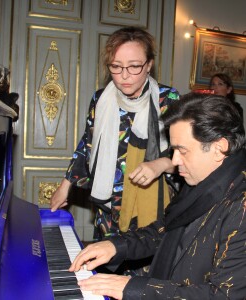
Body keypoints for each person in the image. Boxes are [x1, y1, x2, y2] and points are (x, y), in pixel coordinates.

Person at [69, 93, 246, 299]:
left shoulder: (240, 204)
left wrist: (134, 288)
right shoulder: (204, 181)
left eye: (182, 150)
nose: (175, 160)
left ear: (219, 148)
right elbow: (164, 230)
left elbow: (225, 295)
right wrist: (116, 246)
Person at [50, 26, 180, 249]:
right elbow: (87, 143)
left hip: (150, 208)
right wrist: (65, 186)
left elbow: (187, 153)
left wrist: (161, 164)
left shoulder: (168, 99)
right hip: (108, 207)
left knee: (141, 278)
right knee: (106, 272)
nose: (125, 75)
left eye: (134, 66)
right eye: (116, 67)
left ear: (149, 65)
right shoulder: (101, 98)